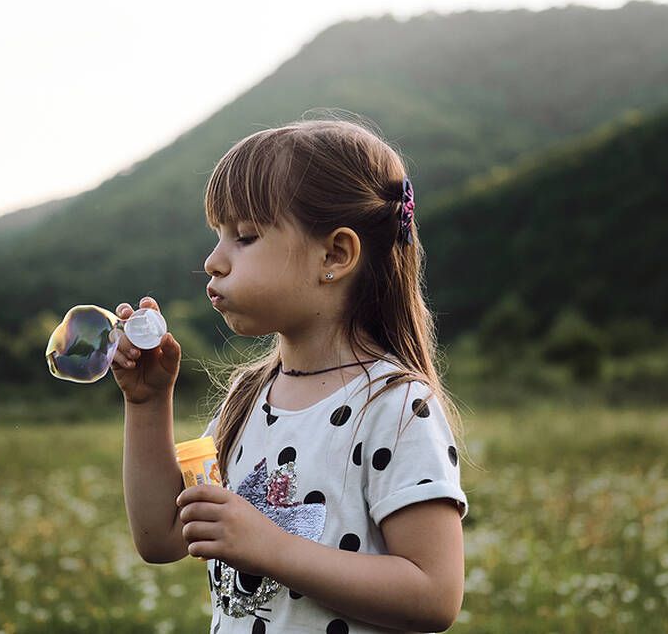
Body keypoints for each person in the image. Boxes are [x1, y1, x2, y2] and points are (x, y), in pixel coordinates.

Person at [112, 116, 469, 633]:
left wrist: (272, 547)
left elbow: (434, 595)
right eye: (218, 237)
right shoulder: (250, 396)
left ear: (335, 254)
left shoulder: (394, 405)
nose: (213, 261)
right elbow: (162, 536)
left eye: (246, 237)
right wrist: (147, 404)